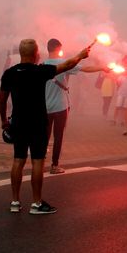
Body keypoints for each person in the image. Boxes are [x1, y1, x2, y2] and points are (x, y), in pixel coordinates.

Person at [0, 38, 90, 215]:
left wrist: (4, 121)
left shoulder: (9, 73)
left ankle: (15, 202)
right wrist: (81, 55)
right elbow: (67, 65)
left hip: (18, 122)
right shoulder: (40, 71)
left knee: (18, 160)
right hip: (38, 122)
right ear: (35, 54)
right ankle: (36, 203)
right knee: (37, 161)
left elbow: (2, 101)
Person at [43, 38, 104, 174]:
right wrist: (102, 67)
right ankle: (54, 165)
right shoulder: (64, 64)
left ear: (48, 49)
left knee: (44, 137)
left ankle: (39, 164)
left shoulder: (42, 65)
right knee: (58, 136)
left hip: (45, 107)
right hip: (61, 106)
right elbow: (86, 68)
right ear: (59, 48)